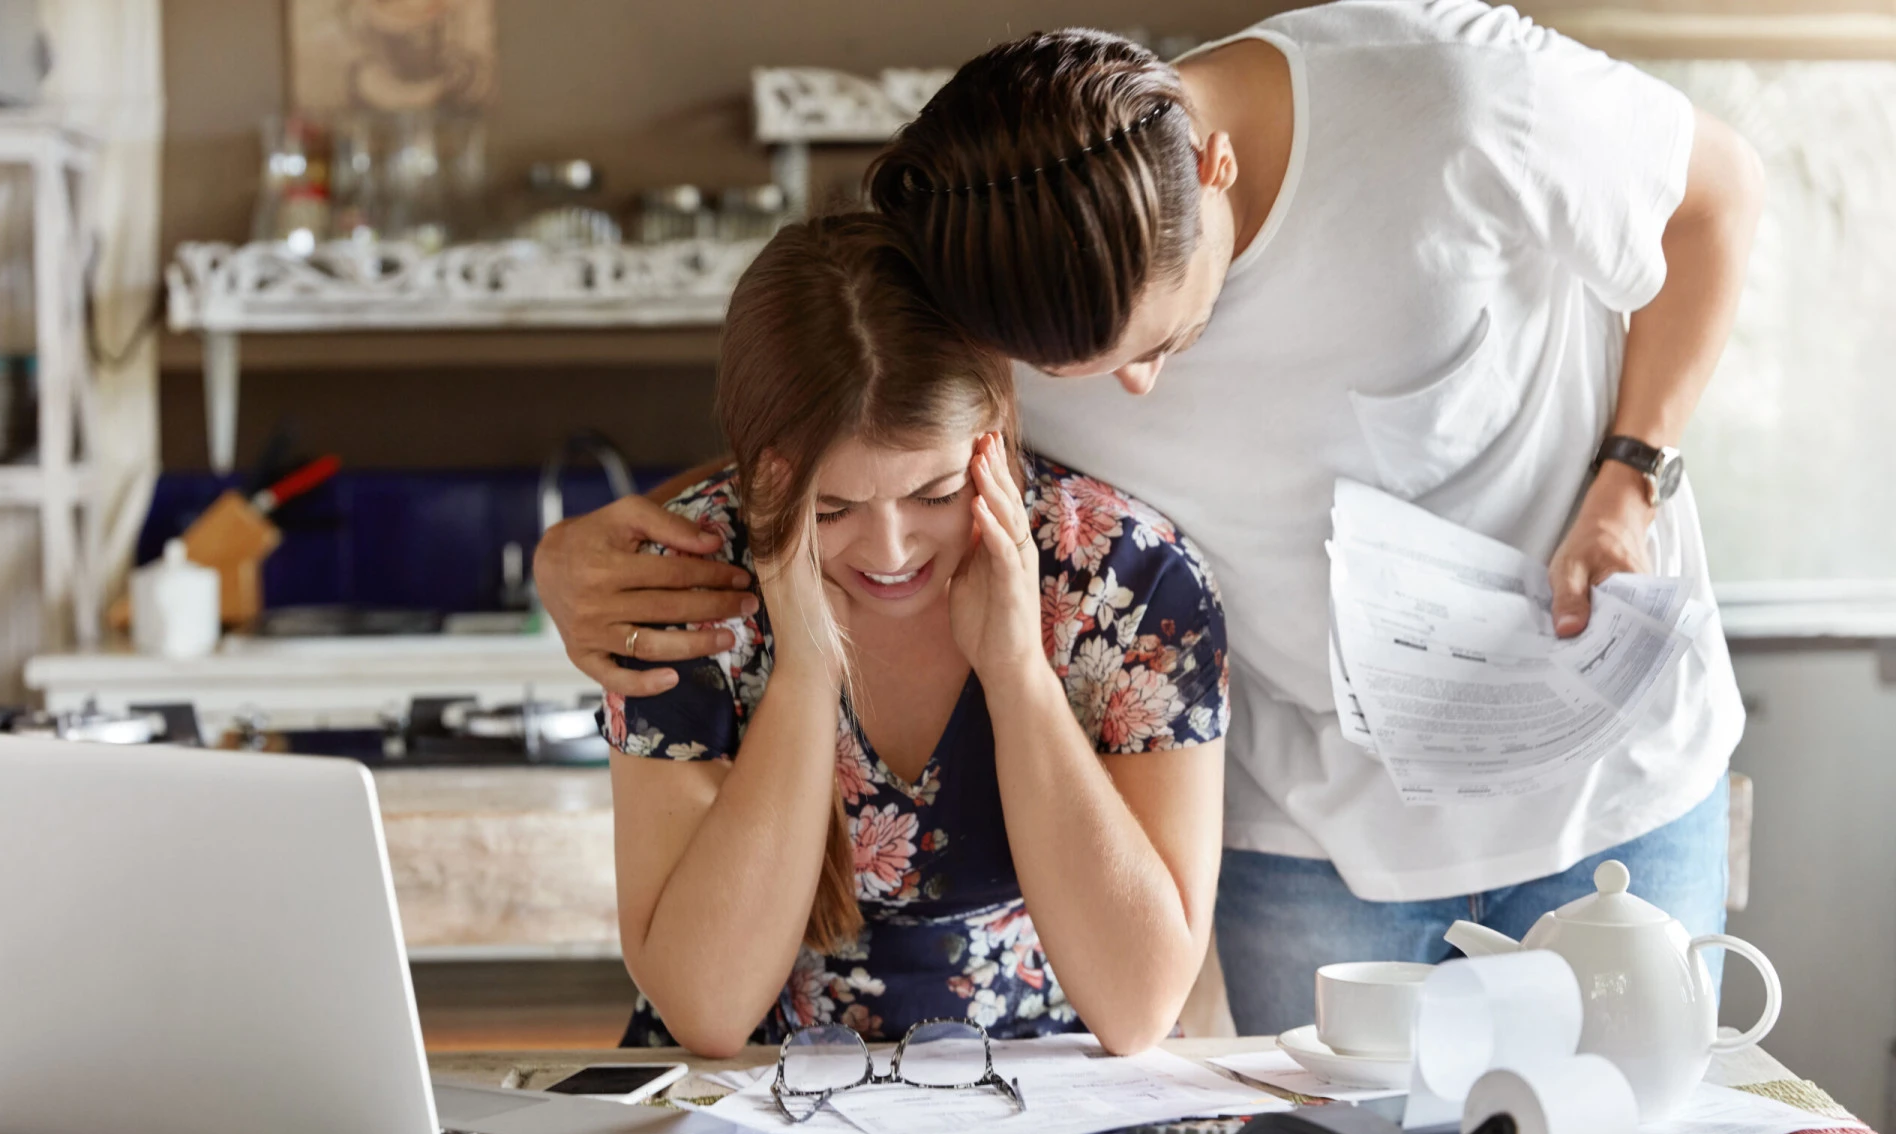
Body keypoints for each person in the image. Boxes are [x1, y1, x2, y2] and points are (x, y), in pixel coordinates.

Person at [540, 0, 1763, 1036]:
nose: (1135, 392)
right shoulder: (984, 271)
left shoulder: (1458, 103)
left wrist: (1630, 472)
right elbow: (854, 402)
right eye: (1075, 374)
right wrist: (580, 553)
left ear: (1215, 166)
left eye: (1165, 338)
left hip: (1607, 772)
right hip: (1317, 824)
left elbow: (1717, 201)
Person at [604, 214, 1229, 1057]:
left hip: (1038, 1086)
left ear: (995, 433)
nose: (892, 553)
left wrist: (1016, 673)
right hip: (748, 1096)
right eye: (833, 510)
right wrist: (806, 670)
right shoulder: (683, 585)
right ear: (763, 476)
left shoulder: (1133, 583)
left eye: (934, 494)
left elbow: (1139, 1005)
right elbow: (706, 1012)